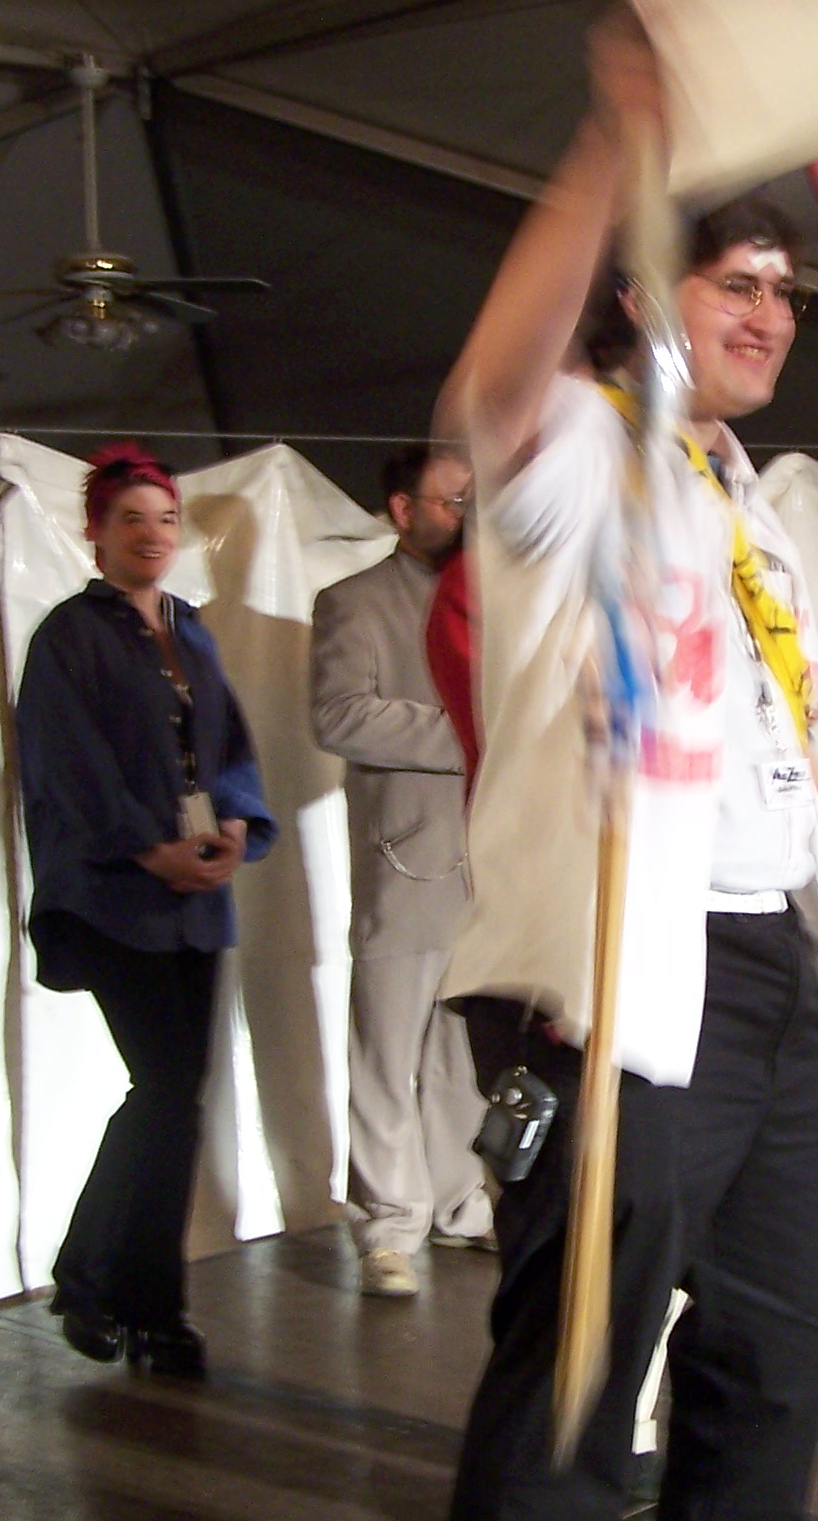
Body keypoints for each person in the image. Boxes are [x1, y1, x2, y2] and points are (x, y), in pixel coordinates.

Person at [434, 8, 818, 1520]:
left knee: (775, 1355)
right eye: (739, 285)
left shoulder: (748, 506)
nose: (772, 317)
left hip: (774, 979)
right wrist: (614, 145)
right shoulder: (590, 451)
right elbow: (492, 393)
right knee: (581, 1362)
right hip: (617, 981)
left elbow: (773, 736)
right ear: (649, 295)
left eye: (788, 294)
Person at [16, 442, 277, 1378]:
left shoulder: (190, 629)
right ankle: (120, 1292)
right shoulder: (68, 635)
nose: (153, 534)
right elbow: (65, 763)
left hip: (194, 900)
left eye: (166, 519)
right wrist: (144, 846)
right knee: (165, 1088)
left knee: (176, 1096)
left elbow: (229, 747)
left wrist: (236, 828)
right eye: (131, 519)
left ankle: (121, 1293)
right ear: (95, 533)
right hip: (115, 897)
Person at [309, 444, 493, 1297]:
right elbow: (341, 715)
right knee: (386, 1048)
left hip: (490, 856)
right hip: (409, 859)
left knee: (461, 1047)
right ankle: (387, 1225)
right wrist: (470, 734)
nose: (468, 516)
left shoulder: (497, 599)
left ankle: (461, 1205)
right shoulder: (355, 601)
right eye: (453, 501)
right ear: (402, 509)